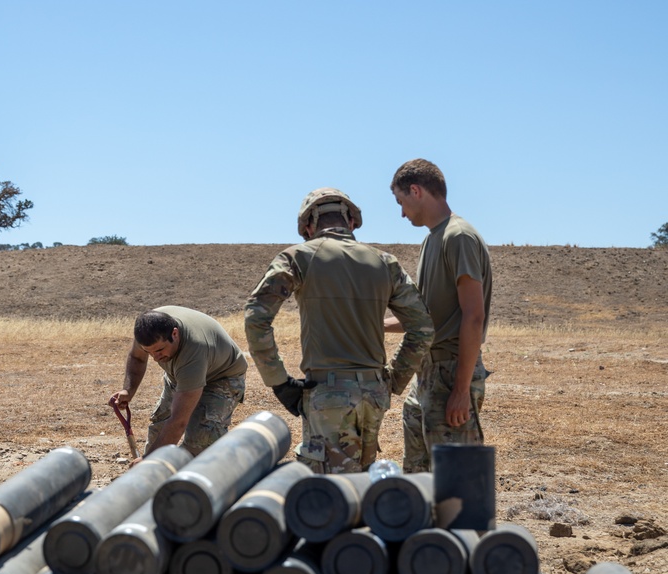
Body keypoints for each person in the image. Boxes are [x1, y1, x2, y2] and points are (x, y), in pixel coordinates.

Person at [245, 188, 433, 474]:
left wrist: (279, 381)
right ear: (352, 222)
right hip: (374, 395)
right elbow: (422, 326)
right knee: (362, 486)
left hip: (327, 395)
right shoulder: (385, 262)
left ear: (308, 226)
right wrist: (395, 379)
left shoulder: (298, 257)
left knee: (330, 497)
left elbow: (256, 318)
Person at [386, 158, 493, 472]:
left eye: (401, 202)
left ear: (416, 191)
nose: (402, 212)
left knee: (456, 480)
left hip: (451, 373)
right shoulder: (432, 240)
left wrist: (460, 390)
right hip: (429, 375)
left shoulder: (457, 237)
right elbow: (426, 317)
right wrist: (374, 326)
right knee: (420, 479)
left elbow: (473, 316)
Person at [109, 306, 247, 460]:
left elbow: (179, 422)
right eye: (149, 352)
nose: (155, 358)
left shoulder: (193, 352)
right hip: (180, 374)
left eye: (160, 350)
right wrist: (128, 390)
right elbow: (137, 358)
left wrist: (148, 460)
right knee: (160, 427)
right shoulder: (148, 329)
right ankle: (155, 477)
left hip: (221, 377)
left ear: (175, 334)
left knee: (201, 443)